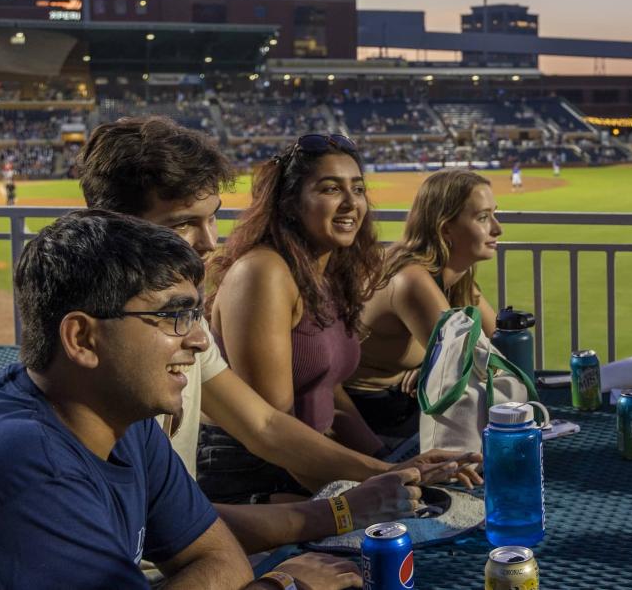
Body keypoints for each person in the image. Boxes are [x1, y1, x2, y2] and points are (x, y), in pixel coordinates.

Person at [0, 210, 355, 589]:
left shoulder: (118, 418)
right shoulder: (33, 472)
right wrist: (282, 587)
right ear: (82, 339)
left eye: (194, 313)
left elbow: (219, 557)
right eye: (173, 316)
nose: (197, 339)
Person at [78, 117, 477, 547]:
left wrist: (392, 471)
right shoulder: (103, 359)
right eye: (181, 224)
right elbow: (162, 527)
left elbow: (265, 425)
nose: (209, 243)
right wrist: (335, 514)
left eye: (212, 218)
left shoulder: (184, 326)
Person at [202, 134, 476, 504]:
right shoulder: (262, 273)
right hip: (253, 473)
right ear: (291, 203)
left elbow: (327, 388)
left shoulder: (325, 273)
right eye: (331, 189)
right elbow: (272, 429)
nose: (351, 203)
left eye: (358, 189)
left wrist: (387, 459)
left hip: (311, 460)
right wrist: (388, 476)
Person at [346, 169, 502, 437]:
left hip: (401, 404)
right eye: (483, 218)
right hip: (374, 418)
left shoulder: (454, 276)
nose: (497, 228)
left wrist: (427, 368)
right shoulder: (412, 279)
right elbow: (475, 367)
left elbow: (499, 345)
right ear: (446, 229)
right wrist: (439, 368)